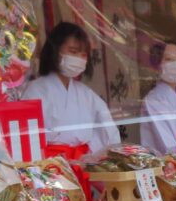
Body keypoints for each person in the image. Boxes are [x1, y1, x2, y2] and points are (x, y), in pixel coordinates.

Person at [24, 22, 120, 155]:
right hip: (49, 163)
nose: (79, 58)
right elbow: (26, 138)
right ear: (55, 50)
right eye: (73, 51)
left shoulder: (87, 94)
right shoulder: (35, 90)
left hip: (84, 162)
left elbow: (108, 132)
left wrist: (91, 157)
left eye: (83, 55)